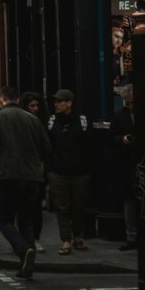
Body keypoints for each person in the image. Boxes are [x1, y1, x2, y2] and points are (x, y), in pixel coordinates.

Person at [0, 85, 50, 279]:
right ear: (18, 99)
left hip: (7, 176)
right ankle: (26, 265)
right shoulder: (32, 119)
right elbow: (47, 149)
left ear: (0, 99)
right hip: (32, 177)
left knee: (5, 221)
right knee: (26, 221)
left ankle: (24, 250)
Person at [47, 89, 90, 256]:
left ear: (69, 103)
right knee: (62, 207)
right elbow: (48, 144)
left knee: (79, 207)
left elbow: (88, 146)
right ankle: (66, 239)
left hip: (79, 172)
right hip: (58, 171)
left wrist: (86, 166)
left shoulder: (82, 121)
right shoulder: (51, 122)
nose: (56, 104)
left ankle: (77, 235)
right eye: (56, 101)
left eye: (60, 101)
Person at [109, 85, 138, 251]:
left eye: (133, 103)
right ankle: (132, 236)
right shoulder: (119, 116)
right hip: (127, 163)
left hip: (141, 161)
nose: (131, 106)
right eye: (128, 103)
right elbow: (111, 138)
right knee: (129, 200)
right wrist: (123, 140)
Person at [21, 92, 50, 251]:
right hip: (21, 170)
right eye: (32, 106)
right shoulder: (20, 122)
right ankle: (25, 238)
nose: (35, 109)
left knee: (36, 206)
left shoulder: (42, 123)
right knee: (23, 206)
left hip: (37, 170)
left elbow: (46, 148)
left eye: (37, 105)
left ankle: (35, 238)